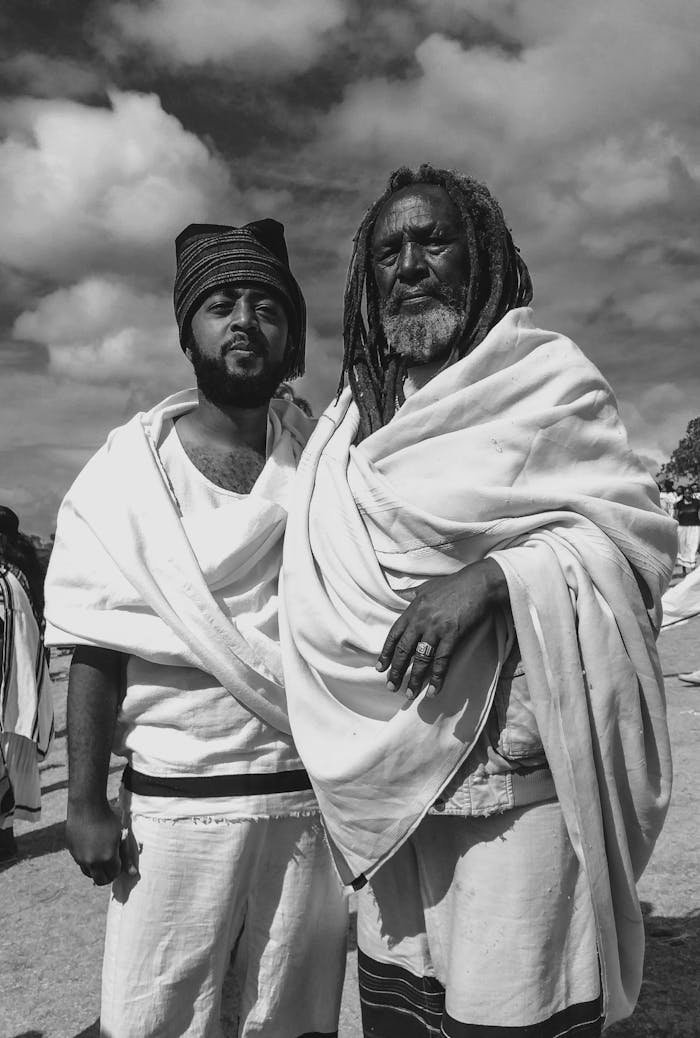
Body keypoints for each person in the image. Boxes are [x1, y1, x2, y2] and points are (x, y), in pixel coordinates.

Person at [280, 165, 677, 1036]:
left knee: (511, 1008)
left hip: (513, 792)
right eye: (390, 250)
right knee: (402, 1009)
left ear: (484, 254)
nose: (412, 263)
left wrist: (495, 580)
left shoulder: (546, 382)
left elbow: (638, 542)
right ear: (365, 277)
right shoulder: (350, 426)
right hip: (387, 795)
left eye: (435, 240)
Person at [44, 221, 347, 1037]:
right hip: (175, 807)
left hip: (304, 797)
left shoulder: (324, 461)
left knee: (291, 1010)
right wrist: (82, 800)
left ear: (290, 337)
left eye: (267, 307)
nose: (245, 320)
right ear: (190, 332)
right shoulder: (125, 476)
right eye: (221, 304)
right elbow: (96, 641)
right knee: (156, 1015)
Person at [0, 506, 54, 866]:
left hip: (9, 686)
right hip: (17, 684)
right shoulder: (19, 573)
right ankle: (5, 842)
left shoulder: (4, 580)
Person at [675, 485, 700, 575]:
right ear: (684, 494)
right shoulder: (679, 504)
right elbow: (676, 516)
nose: (688, 494)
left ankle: (692, 569)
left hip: (695, 527)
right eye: (686, 493)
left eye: (689, 493)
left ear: (692, 494)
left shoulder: (697, 503)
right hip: (682, 528)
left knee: (693, 547)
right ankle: (684, 570)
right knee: (683, 549)